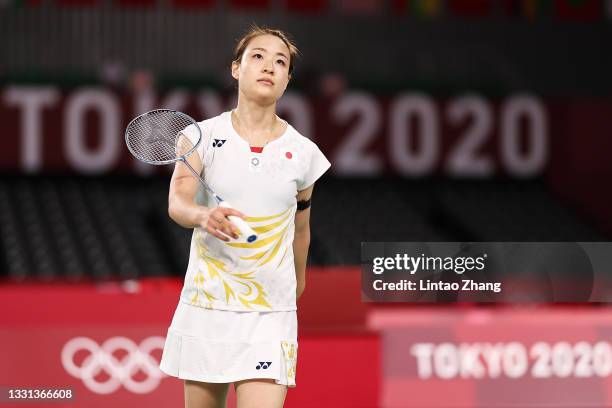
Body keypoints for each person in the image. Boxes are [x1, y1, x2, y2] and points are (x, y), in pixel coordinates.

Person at [159, 25, 331, 408]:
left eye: (280, 61)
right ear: (236, 69)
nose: (269, 66)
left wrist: (297, 282)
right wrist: (204, 215)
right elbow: (178, 203)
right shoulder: (199, 137)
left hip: (269, 312)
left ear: (287, 79)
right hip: (209, 305)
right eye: (258, 56)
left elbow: (301, 226)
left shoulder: (303, 154)